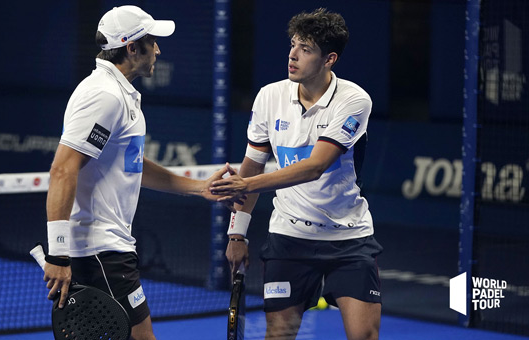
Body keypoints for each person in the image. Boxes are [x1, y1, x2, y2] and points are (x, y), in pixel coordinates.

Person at [42, 6, 231, 340]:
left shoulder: (119, 93)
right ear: (131, 48)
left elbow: (133, 163)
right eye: (152, 42)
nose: (158, 49)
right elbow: (62, 169)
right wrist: (58, 252)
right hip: (99, 251)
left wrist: (199, 187)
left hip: (108, 249)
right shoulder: (104, 95)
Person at [211, 8, 383, 340]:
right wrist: (237, 234)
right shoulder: (269, 97)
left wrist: (244, 185)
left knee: (364, 336)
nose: (292, 55)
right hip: (288, 239)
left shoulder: (354, 101)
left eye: (305, 49)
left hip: (348, 239)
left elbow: (314, 166)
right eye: (293, 45)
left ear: (329, 58)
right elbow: (253, 164)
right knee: (279, 336)